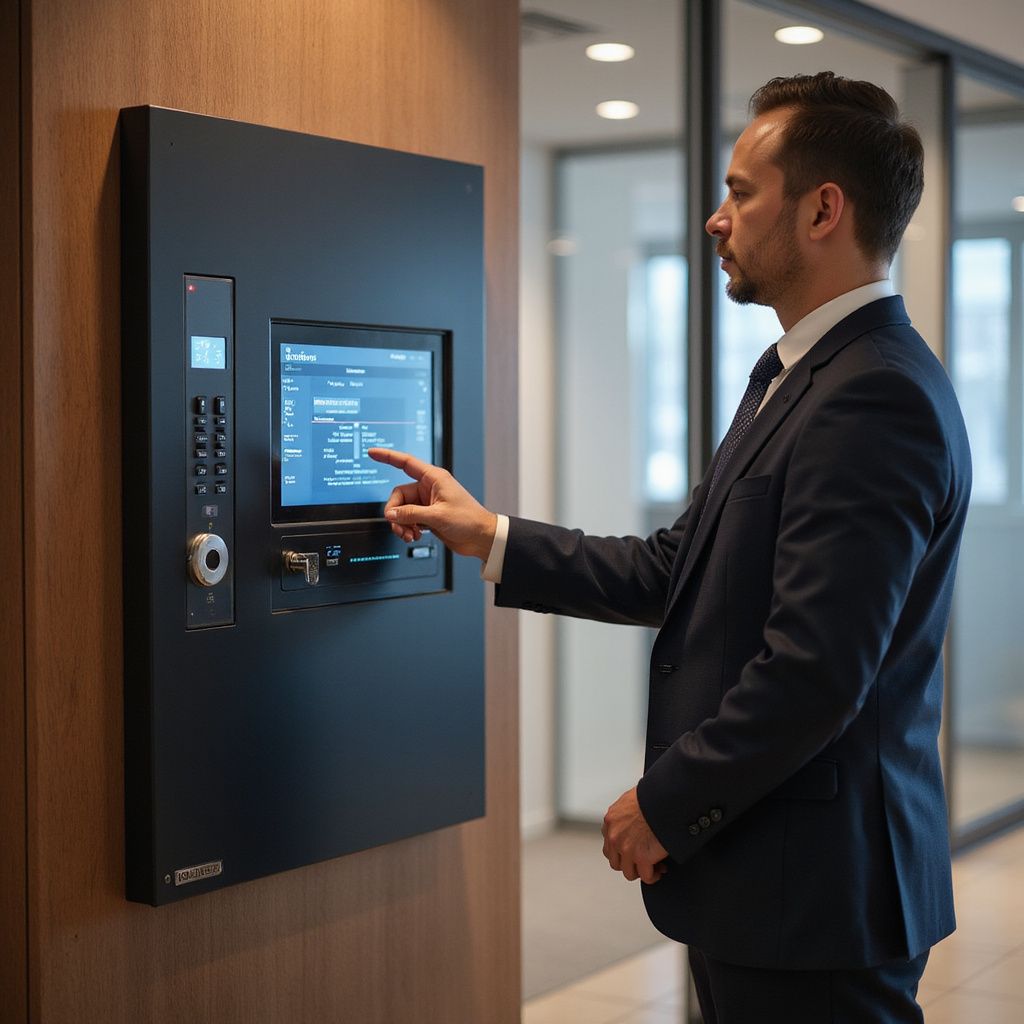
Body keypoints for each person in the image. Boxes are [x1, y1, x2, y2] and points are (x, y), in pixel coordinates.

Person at [370, 72, 971, 1024]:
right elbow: (673, 570)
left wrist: (665, 799)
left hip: (815, 894)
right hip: (771, 881)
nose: (715, 219)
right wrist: (488, 535)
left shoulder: (873, 396)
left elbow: (816, 670)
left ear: (823, 210)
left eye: (740, 192)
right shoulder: (797, 375)